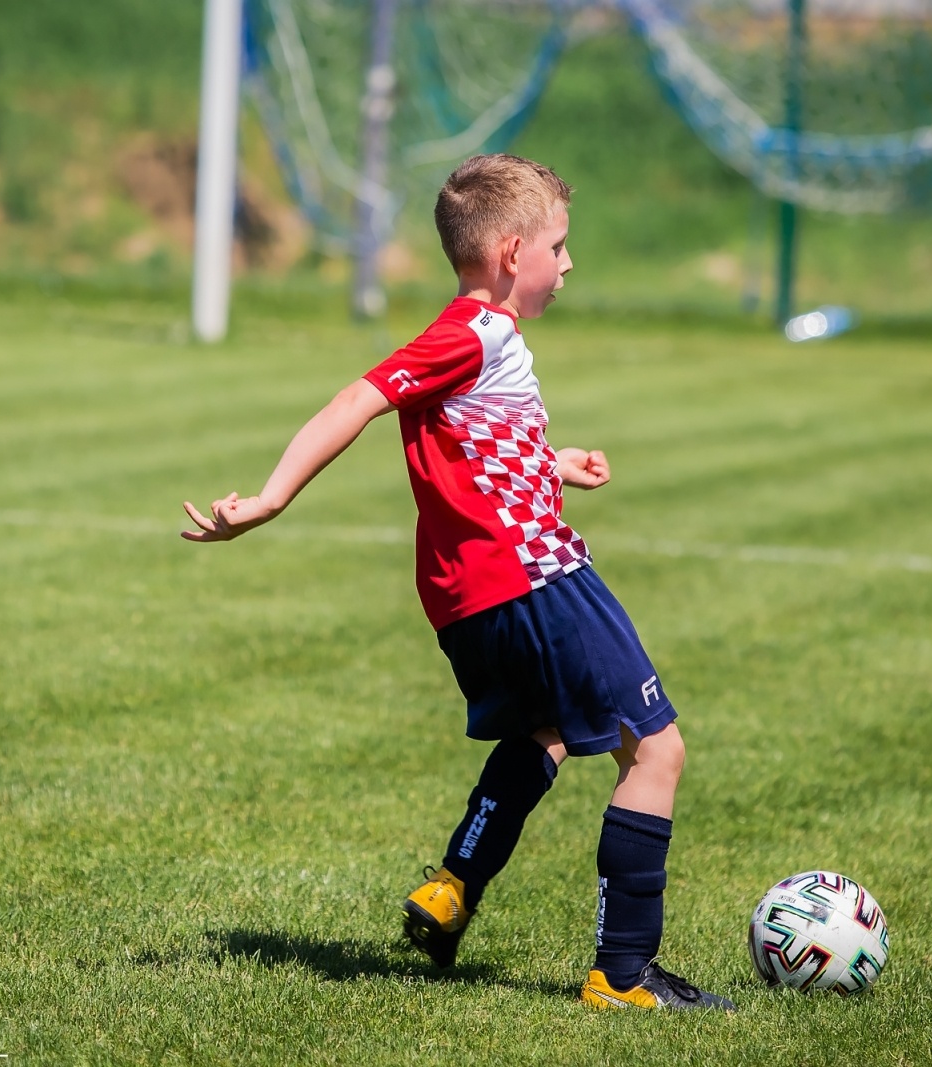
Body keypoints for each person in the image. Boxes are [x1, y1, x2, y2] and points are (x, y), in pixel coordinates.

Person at [180, 153, 732, 1012]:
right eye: (558, 246)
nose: (568, 263)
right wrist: (271, 498)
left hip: (469, 601)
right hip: (535, 578)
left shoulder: (474, 342)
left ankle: (452, 887)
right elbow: (358, 399)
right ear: (512, 253)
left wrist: (552, 462)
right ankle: (623, 974)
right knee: (656, 749)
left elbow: (470, 441)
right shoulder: (476, 333)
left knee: (547, 731)